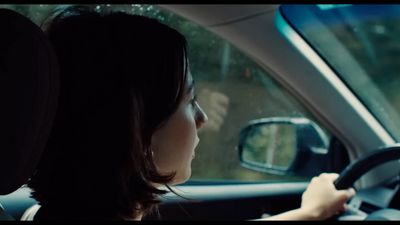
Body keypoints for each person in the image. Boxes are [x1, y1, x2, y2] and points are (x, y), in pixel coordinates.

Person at [26, 6, 355, 220]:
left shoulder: (40, 215)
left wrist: (309, 213)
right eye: (189, 99)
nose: (203, 119)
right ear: (134, 129)